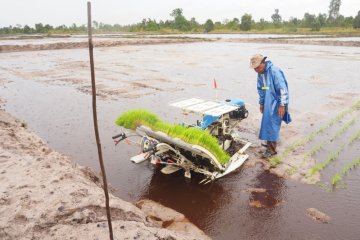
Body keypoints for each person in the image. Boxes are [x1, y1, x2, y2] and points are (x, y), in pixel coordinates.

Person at [250, 54, 289, 158]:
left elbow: (282, 89)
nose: (256, 70)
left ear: (264, 62)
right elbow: (261, 90)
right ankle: (269, 143)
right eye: (255, 68)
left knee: (273, 124)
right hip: (268, 102)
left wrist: (282, 105)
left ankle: (271, 150)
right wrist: (261, 103)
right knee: (267, 122)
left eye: (258, 67)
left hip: (277, 102)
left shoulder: (274, 72)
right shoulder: (261, 74)